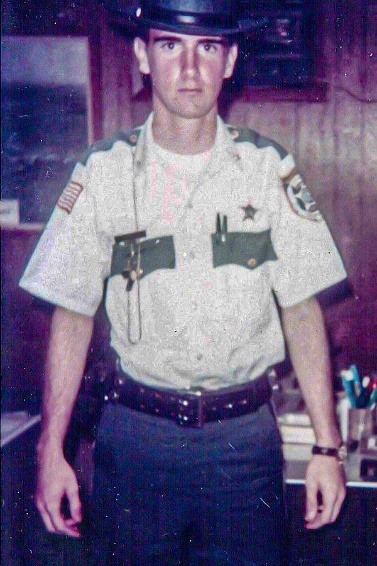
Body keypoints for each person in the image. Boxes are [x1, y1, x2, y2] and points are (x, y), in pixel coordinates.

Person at [20, 1, 348, 564]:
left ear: (231, 60)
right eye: (171, 45)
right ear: (143, 56)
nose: (190, 69)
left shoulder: (268, 171)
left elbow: (301, 309)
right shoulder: (103, 174)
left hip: (243, 443)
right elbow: (71, 313)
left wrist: (327, 446)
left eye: (209, 48)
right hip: (136, 441)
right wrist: (52, 450)